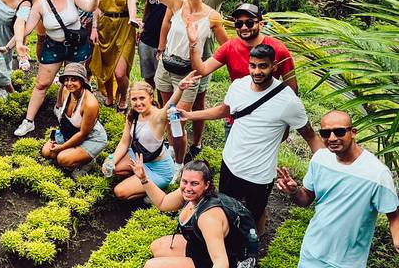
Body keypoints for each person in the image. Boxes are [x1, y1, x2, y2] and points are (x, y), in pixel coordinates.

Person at [177, 44, 323, 235]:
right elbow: (225, 110)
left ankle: (253, 248)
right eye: (252, 66)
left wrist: (328, 165)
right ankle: (230, 247)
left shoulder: (288, 101)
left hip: (259, 174)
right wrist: (190, 115)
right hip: (230, 163)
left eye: (263, 66)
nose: (257, 71)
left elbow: (310, 136)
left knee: (253, 216)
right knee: (226, 211)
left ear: (274, 66)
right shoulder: (239, 85)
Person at [113, 0, 228, 179]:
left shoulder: (213, 16)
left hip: (188, 74)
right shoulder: (177, 5)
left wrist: (205, 67)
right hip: (166, 68)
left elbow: (227, 48)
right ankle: (167, 153)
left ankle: (177, 164)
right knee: (166, 117)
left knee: (175, 120)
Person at [158, 0, 268, 161]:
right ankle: (175, 147)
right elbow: (167, 21)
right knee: (171, 106)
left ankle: (196, 142)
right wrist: (161, 48)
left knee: (198, 104)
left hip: (204, 58)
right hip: (173, 60)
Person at [276, 110, 399, 267]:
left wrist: (396, 237)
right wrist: (294, 191)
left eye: (339, 131)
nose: (332, 138)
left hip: (348, 262)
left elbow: (394, 214)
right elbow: (305, 199)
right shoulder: (320, 159)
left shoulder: (377, 173)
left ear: (353, 132)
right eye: (326, 133)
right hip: (311, 253)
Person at [13, 0, 109, 137]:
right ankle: (28, 121)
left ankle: (69, 112)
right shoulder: (40, 4)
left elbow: (89, 6)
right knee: (42, 84)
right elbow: (26, 28)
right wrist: (13, 44)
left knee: (74, 83)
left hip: (76, 46)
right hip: (54, 47)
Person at [187, 3, 297, 138]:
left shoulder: (279, 50)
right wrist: (193, 44)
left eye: (249, 23)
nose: (244, 27)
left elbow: (292, 90)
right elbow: (202, 70)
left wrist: (285, 124)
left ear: (261, 25)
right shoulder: (229, 47)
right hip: (237, 116)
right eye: (239, 24)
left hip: (266, 118)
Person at [137, 159, 246, 268]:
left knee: (151, 266)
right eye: (184, 181)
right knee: (156, 247)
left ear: (206, 184)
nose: (188, 188)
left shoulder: (209, 218)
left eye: (195, 183)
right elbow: (163, 203)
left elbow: (221, 262)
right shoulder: (188, 193)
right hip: (199, 247)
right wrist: (143, 178)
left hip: (209, 261)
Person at [109, 72, 200, 197]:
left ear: (151, 98)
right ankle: (138, 179)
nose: (138, 103)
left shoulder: (158, 117)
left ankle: (152, 193)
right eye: (134, 99)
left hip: (159, 170)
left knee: (120, 192)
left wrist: (179, 89)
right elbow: (124, 143)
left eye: (142, 98)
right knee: (112, 165)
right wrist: (111, 162)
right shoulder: (133, 116)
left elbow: (169, 105)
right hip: (139, 157)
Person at [89, 0, 140, 111]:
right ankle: (110, 97)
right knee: (106, 68)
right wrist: (94, 28)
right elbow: (95, 6)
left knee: (120, 73)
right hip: (105, 27)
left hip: (125, 26)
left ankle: (124, 96)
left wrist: (133, 17)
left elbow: (132, 1)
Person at [42, 63, 108, 175]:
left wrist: (61, 147)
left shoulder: (90, 104)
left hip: (91, 137)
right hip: (71, 132)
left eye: (74, 79)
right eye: (66, 79)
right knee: (47, 152)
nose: (69, 83)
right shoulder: (65, 90)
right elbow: (62, 116)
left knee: (62, 159)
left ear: (82, 81)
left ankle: (88, 161)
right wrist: (58, 139)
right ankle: (75, 155)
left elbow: (83, 134)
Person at [137, 0, 176, 88]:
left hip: (168, 39)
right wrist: (142, 25)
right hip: (148, 36)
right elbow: (148, 3)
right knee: (148, 77)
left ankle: (162, 106)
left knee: (164, 81)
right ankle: (151, 105)